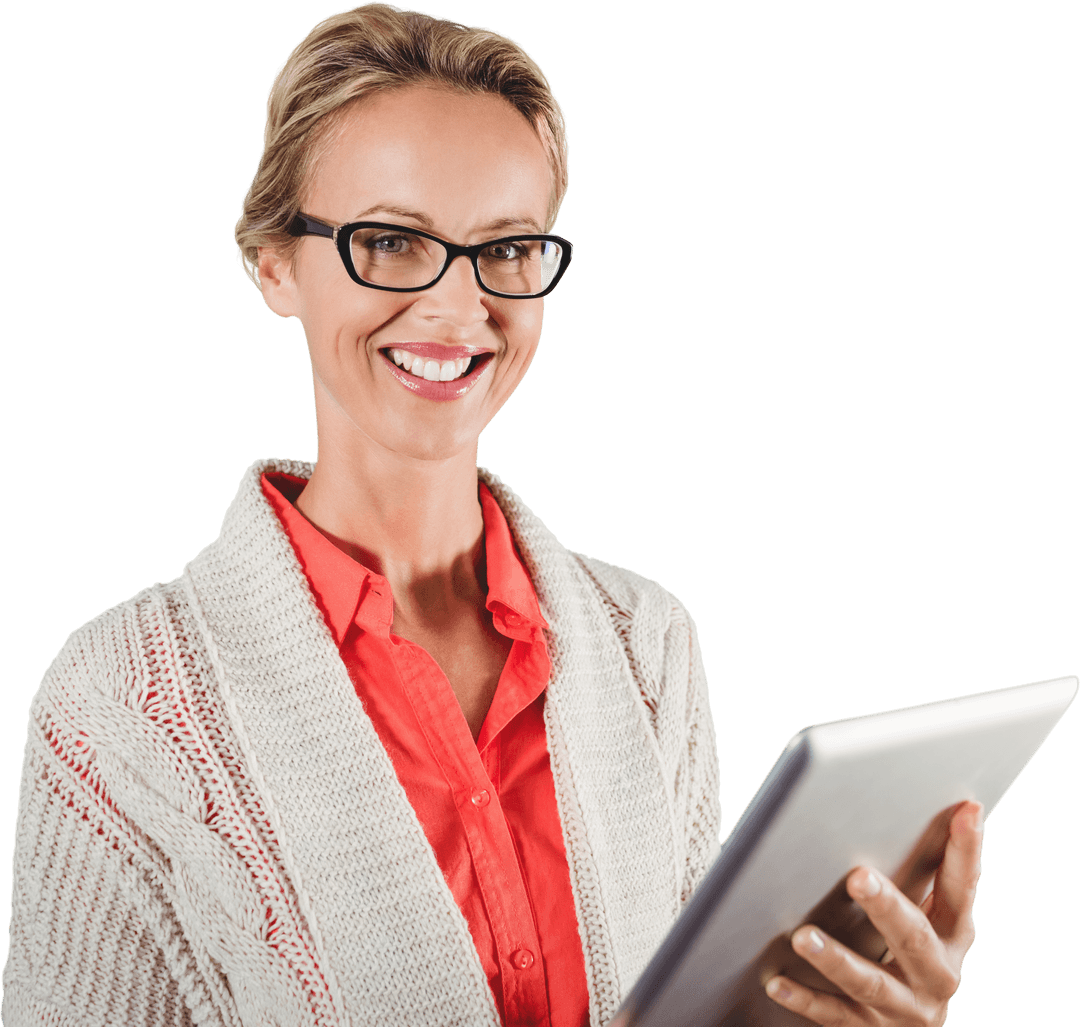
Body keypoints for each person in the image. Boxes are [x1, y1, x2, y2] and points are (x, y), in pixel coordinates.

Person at [1, 4, 982, 1025]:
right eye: (391, 241)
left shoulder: (649, 644)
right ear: (276, 264)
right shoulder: (120, 701)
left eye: (506, 248)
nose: (457, 307)